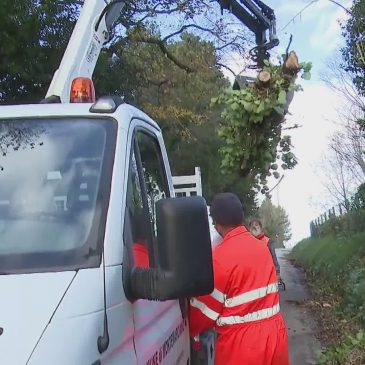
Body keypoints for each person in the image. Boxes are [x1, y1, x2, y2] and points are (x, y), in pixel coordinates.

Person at [189, 193, 289, 365]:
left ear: (216, 223)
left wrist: (189, 326)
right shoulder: (262, 248)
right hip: (276, 337)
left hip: (242, 347)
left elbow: (203, 314)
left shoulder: (219, 259)